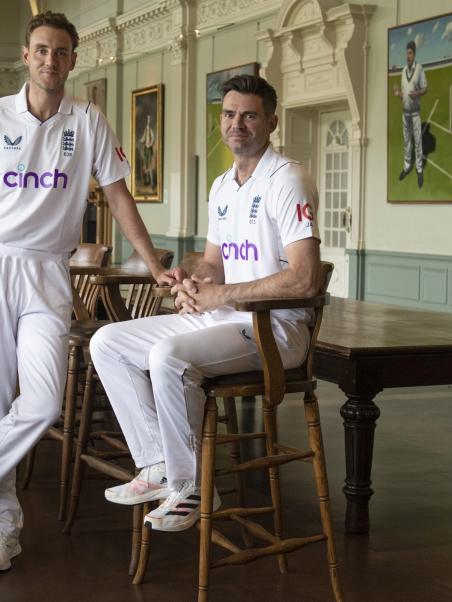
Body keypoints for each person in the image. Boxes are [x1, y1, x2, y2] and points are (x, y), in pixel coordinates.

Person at [0, 11, 178, 574]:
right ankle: (3, 531)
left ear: (73, 60)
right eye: (41, 50)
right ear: (25, 55)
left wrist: (150, 260)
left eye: (61, 52)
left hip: (47, 272)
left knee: (41, 403)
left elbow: (117, 195)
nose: (50, 60)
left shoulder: (88, 120)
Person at [89, 74, 322, 532]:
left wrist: (221, 295)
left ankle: (192, 485)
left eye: (250, 115)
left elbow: (305, 278)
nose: (238, 124)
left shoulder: (288, 179)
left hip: (276, 331)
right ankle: (157, 463)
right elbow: (215, 263)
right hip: (225, 320)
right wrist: (195, 282)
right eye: (230, 114)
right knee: (107, 342)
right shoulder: (221, 185)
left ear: (271, 121)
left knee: (168, 357)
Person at [393, 40, 427, 188]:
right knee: (406, 142)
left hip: (415, 113)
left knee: (417, 141)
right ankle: (407, 167)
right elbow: (404, 94)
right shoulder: (403, 71)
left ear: (414, 54)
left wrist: (417, 93)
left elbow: (425, 88)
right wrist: (398, 93)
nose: (408, 56)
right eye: (407, 53)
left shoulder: (419, 68)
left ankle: (419, 169)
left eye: (410, 53)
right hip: (405, 113)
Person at [138, 111, 156, 189]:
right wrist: (141, 141)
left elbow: (153, 137)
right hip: (146, 149)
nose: (148, 120)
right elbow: (143, 137)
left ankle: (152, 182)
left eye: (149, 119)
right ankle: (148, 180)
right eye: (147, 119)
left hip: (149, 149)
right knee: (146, 165)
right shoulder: (146, 129)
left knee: (150, 165)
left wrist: (150, 143)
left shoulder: (150, 130)